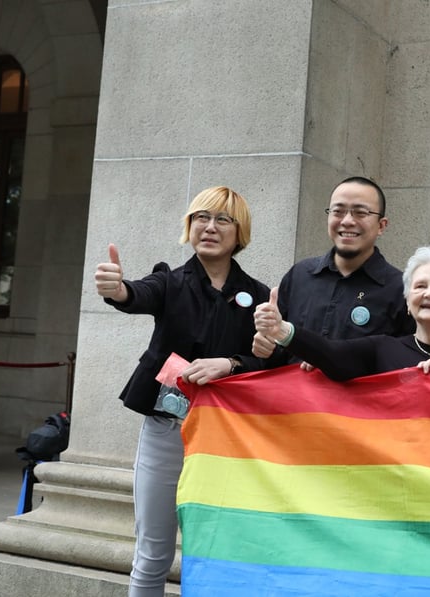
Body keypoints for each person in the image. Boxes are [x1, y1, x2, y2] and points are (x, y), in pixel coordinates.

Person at [94, 186, 270, 597]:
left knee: (215, 553)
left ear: (239, 232)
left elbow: (270, 360)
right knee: (153, 555)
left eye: (222, 219)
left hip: (227, 436)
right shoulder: (170, 282)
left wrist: (233, 363)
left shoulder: (258, 295)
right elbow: (137, 293)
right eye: (200, 218)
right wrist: (117, 290)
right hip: (167, 431)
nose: (209, 227)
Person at [242, 176, 415, 371]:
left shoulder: (401, 289)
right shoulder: (300, 276)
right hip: (295, 398)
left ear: (381, 226)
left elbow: (404, 367)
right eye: (338, 211)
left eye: (360, 213)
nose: (348, 221)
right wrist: (268, 349)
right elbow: (278, 359)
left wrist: (328, 362)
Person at [253, 246, 430, 377]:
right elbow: (332, 353)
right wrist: (280, 329)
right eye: (420, 286)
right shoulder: (382, 349)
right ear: (407, 300)